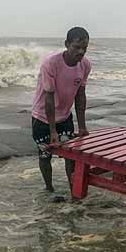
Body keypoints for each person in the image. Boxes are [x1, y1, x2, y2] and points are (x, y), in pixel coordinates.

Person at [31, 27, 91, 195]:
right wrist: (52, 131)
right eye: (76, 47)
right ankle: (49, 188)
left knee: (71, 155)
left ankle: (74, 189)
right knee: (45, 155)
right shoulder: (50, 63)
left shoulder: (85, 65)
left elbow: (80, 96)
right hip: (43, 117)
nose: (81, 52)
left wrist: (82, 127)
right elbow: (48, 98)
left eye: (84, 48)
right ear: (67, 44)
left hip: (65, 116)